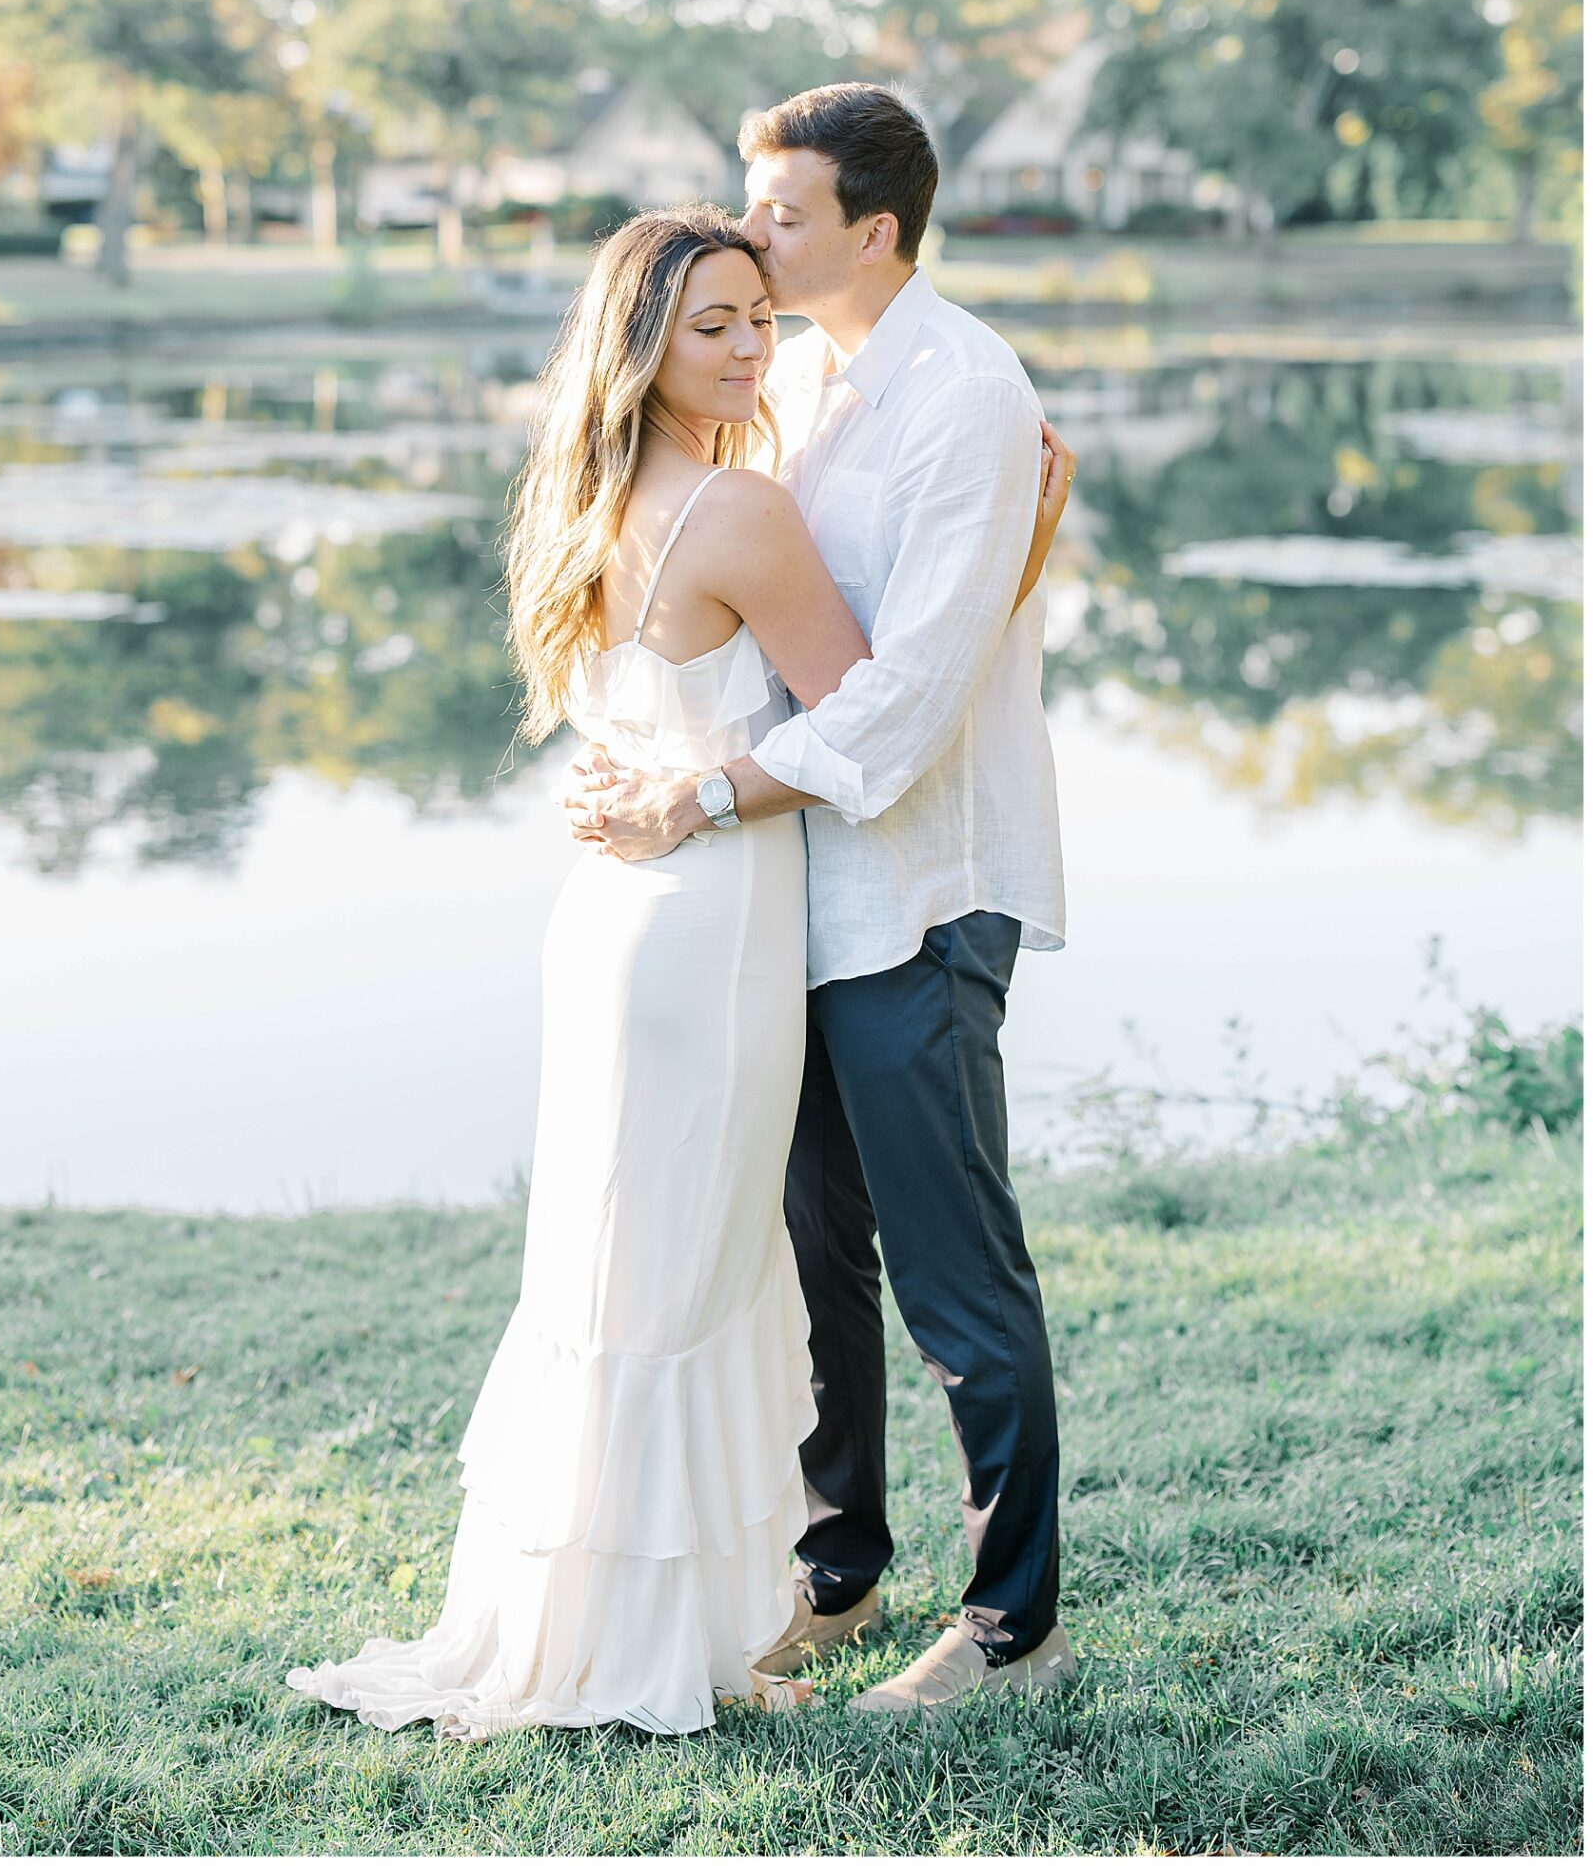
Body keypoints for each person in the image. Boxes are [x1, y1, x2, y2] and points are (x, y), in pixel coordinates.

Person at [286, 193, 1071, 1740]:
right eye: (709, 324)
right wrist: (1023, 544)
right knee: (692, 1276)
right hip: (709, 921)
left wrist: (663, 786)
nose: (745, 349)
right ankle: (665, 1631)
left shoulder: (580, 501)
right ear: (639, 344)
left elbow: (655, 719)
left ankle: (651, 1604)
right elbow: (880, 715)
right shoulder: (740, 510)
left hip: (615, 921)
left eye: (754, 320)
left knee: (627, 1264)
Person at [567, 84, 1075, 1716]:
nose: (751, 238)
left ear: (875, 228)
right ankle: (837, 1567)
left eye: (779, 215)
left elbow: (909, 701)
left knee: (953, 1269)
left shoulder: (965, 394)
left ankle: (1011, 1622)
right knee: (813, 1259)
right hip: (781, 904)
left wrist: (695, 793)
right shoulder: (800, 376)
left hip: (916, 895)